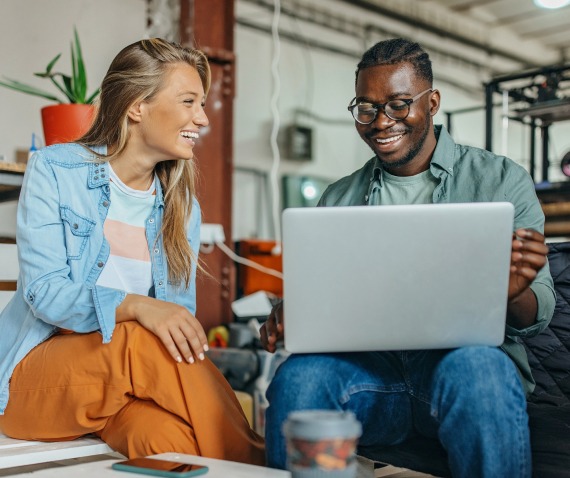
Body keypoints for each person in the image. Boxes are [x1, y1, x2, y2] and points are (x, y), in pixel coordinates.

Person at [260, 38, 555, 477]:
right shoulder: (338, 198)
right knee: (302, 376)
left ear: (432, 102)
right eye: (366, 108)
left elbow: (539, 313)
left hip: (459, 373)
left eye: (399, 105)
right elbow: (326, 301)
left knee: (480, 369)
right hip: (373, 379)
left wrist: (508, 292)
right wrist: (295, 316)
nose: (381, 122)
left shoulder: (500, 181)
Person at [0, 38, 264, 464]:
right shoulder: (56, 170)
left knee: (173, 442)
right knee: (140, 341)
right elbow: (45, 293)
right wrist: (134, 306)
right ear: (137, 106)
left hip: (120, 391)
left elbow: (177, 328)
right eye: (189, 102)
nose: (201, 118)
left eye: (202, 104)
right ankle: (269, 468)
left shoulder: (183, 208)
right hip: (36, 381)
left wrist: (153, 316)